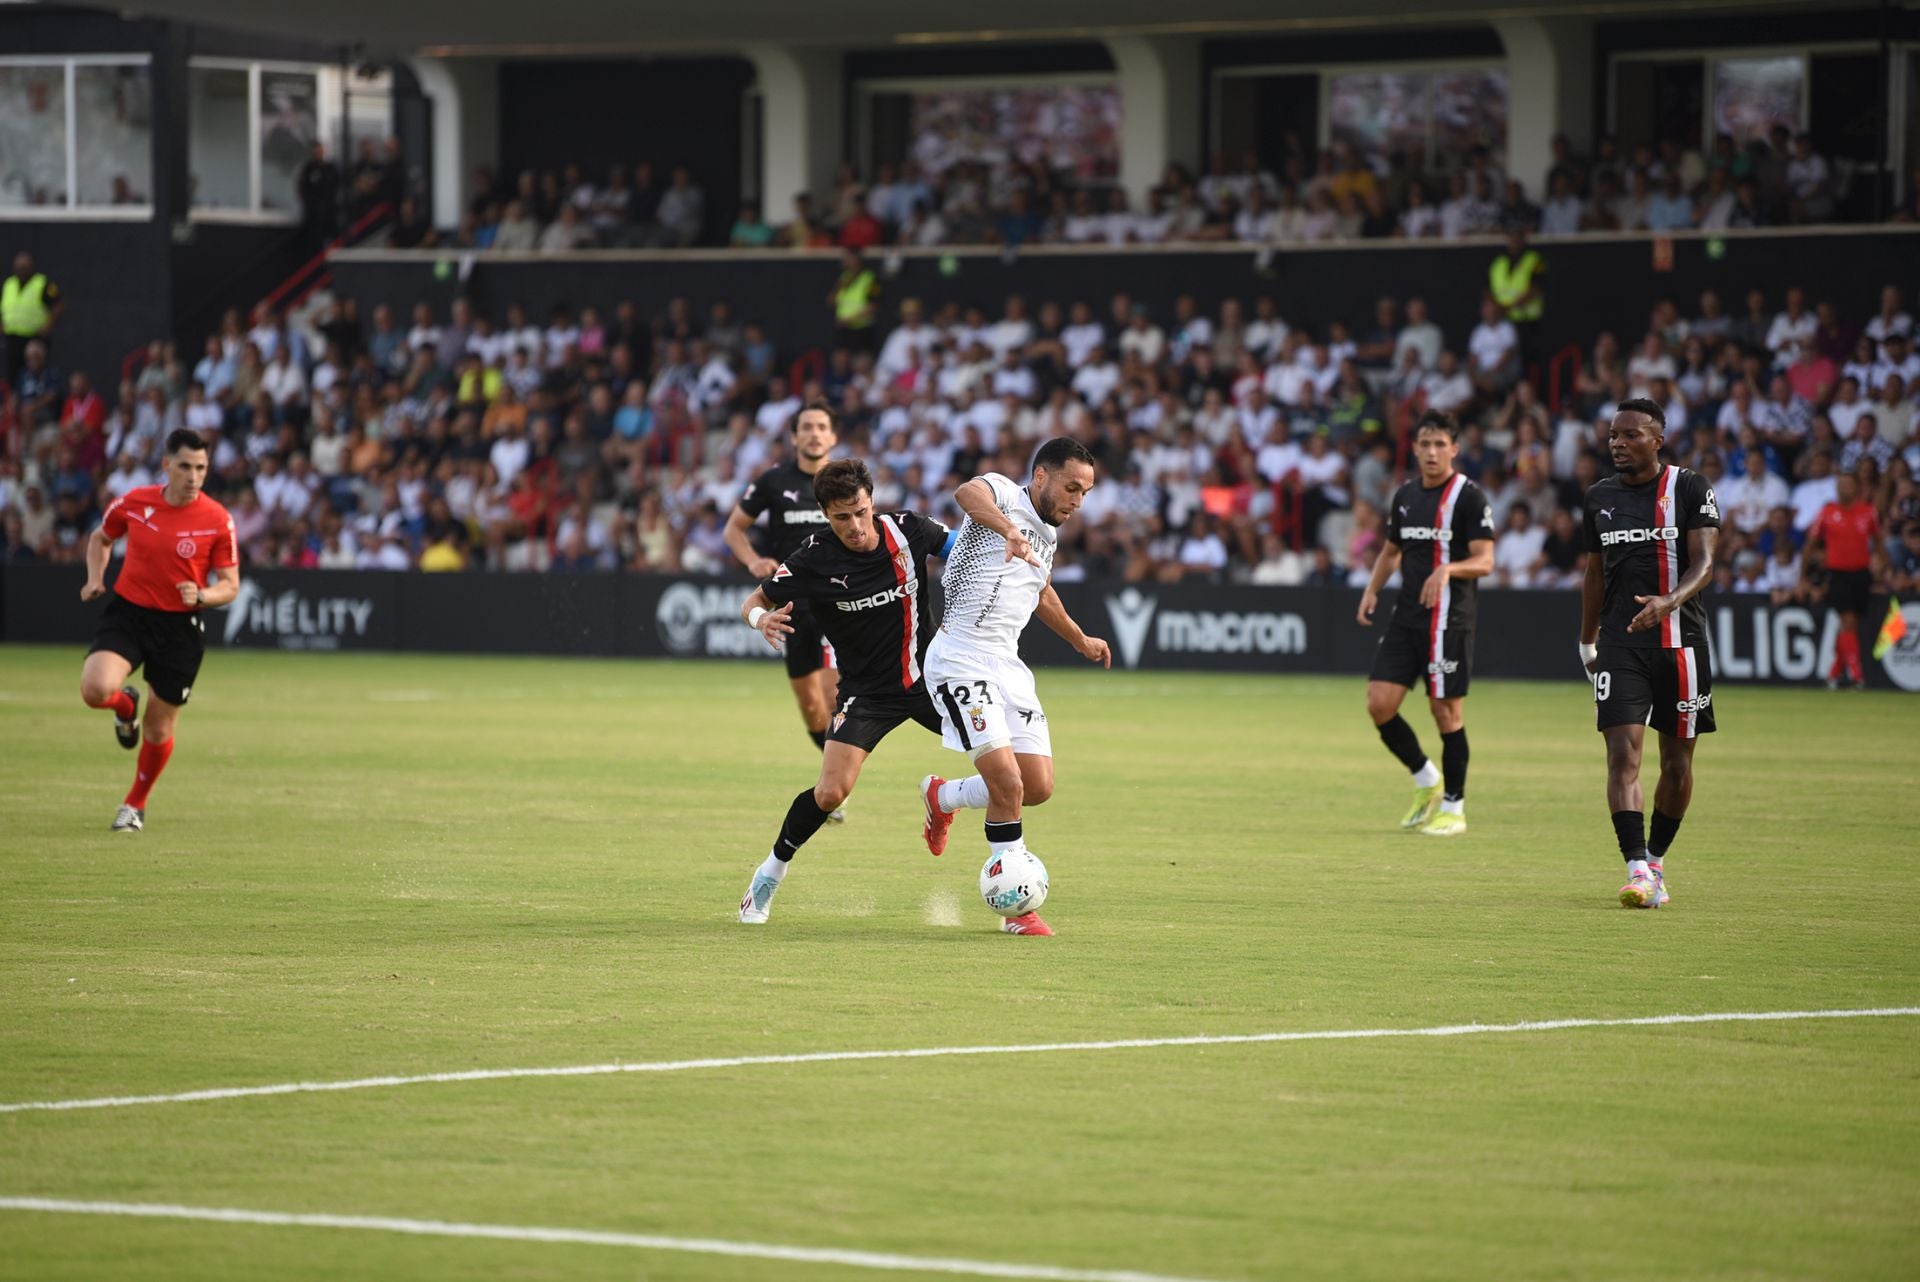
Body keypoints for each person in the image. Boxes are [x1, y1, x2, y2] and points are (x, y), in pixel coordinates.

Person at [734, 459, 954, 925]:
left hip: (929, 681)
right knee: (831, 792)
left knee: (1006, 764)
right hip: (867, 693)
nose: (854, 526)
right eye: (841, 517)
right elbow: (753, 602)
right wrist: (761, 620)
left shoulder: (911, 529)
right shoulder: (814, 557)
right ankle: (769, 875)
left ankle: (945, 799)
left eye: (860, 511)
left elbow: (965, 553)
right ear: (824, 514)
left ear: (872, 502)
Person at [918, 438, 1111, 937]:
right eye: (1071, 487)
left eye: (1085, 493)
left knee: (1037, 787)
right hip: (960, 657)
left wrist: (1080, 640)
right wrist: (1008, 529)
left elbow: (1041, 591)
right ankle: (1016, 908)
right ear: (1042, 476)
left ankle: (944, 797)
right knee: (1008, 784)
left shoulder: (1046, 536)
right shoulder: (1004, 493)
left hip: (1008, 665)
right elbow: (965, 494)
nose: (1077, 501)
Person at [1579, 398, 1721, 909]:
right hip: (1620, 646)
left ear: (1657, 440)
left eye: (1631, 434)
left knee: (1677, 765)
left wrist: (1669, 603)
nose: (1618, 443)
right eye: (1613, 435)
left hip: (1682, 645)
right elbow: (1594, 573)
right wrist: (1586, 639)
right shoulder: (1598, 497)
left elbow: (1705, 564)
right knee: (1622, 754)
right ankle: (1637, 869)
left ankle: (1657, 861)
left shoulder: (1689, 487)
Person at [78, 428, 241, 833]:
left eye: (201, 467)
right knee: (94, 689)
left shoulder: (218, 519)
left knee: (159, 726)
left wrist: (202, 595)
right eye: (185, 466)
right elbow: (102, 537)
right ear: (167, 464)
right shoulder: (135, 502)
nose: (193, 476)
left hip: (179, 627)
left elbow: (231, 585)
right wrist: (95, 578)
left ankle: (134, 804)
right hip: (130, 613)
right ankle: (124, 707)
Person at [1356, 410, 1496, 836]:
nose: (1432, 452)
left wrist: (1448, 570)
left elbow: (1486, 560)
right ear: (1415, 449)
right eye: (1425, 444)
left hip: (1448, 619)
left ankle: (1454, 807)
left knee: (1445, 711)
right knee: (1379, 704)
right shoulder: (1405, 496)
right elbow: (1390, 550)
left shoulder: (1469, 498)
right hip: (1406, 617)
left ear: (1454, 449)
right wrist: (1372, 589)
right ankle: (1426, 780)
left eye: (1440, 444)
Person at [724, 400, 846, 814]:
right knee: (810, 706)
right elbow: (733, 530)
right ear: (794, 437)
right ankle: (830, 775)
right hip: (790, 607)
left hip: (836, 602)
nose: (814, 433)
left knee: (833, 697)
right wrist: (753, 560)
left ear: (832, 436)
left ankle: (832, 787)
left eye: (821, 427)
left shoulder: (845, 482)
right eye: (806, 427)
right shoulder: (773, 482)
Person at [1802, 471, 1883, 689]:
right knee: (1848, 621)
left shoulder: (1868, 511)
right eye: (1841, 485)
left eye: (1849, 484)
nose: (1844, 488)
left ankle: (1834, 674)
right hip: (1838, 574)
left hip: (1862, 573)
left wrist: (1883, 566)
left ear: (1857, 487)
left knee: (1851, 626)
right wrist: (1802, 577)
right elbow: (1810, 545)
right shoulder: (1827, 512)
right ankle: (1858, 676)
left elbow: (1879, 541)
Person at [1487, 229, 1545, 384]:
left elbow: (1536, 288)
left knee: (1526, 362)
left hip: (1527, 321)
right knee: (1501, 358)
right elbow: (1490, 291)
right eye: (1510, 238)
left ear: (1524, 240)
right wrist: (1498, 309)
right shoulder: (1499, 263)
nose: (1514, 242)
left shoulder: (1533, 259)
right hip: (1503, 322)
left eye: (1517, 238)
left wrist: (1509, 307)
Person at [3, 250, 62, 385]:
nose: (21, 270)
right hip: (12, 338)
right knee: (12, 375)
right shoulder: (8, 284)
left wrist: (49, 324)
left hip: (34, 338)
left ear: (31, 267)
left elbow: (58, 303)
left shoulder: (41, 283)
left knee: (36, 373)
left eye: (25, 267)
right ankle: (13, 402)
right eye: (19, 267)